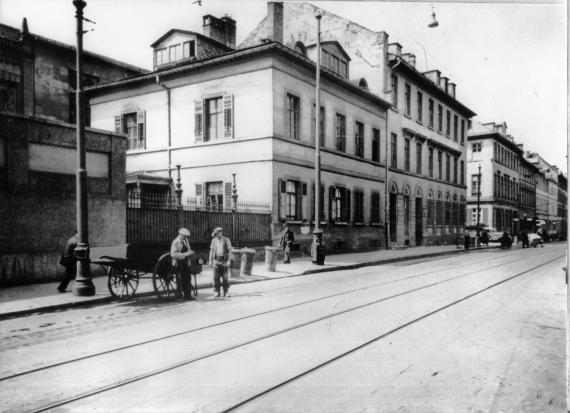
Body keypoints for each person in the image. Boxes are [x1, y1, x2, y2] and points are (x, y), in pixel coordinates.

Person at [170, 228, 195, 301]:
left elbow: (188, 249)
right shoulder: (175, 242)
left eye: (186, 236)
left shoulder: (185, 241)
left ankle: (188, 296)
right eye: (184, 236)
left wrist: (190, 252)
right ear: (180, 235)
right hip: (178, 262)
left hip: (186, 262)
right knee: (179, 279)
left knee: (187, 278)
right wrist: (186, 254)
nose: (185, 238)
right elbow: (173, 254)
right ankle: (179, 296)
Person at [209, 227, 232, 297]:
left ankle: (226, 291)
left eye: (217, 234)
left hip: (224, 260)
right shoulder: (214, 240)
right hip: (216, 260)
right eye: (215, 234)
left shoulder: (227, 240)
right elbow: (212, 251)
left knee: (225, 277)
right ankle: (216, 292)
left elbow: (230, 251)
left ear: (221, 233)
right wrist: (210, 261)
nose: (216, 236)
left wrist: (229, 260)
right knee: (216, 277)